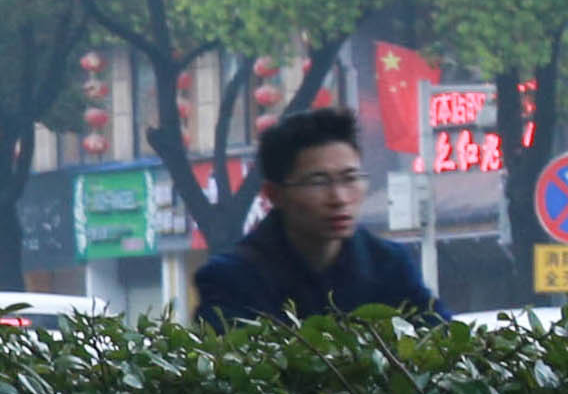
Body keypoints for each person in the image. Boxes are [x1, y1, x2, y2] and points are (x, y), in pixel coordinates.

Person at [191, 106, 445, 326]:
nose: (339, 198)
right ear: (274, 194)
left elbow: (442, 342)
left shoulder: (389, 266)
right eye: (318, 182)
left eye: (349, 178)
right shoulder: (231, 281)